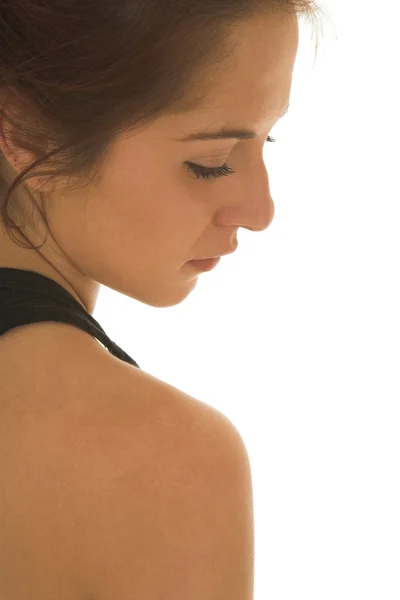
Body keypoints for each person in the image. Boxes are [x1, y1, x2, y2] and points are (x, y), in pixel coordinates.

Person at [0, 4, 316, 598]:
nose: (260, 211)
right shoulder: (162, 458)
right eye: (212, 163)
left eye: (267, 136)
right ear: (26, 134)